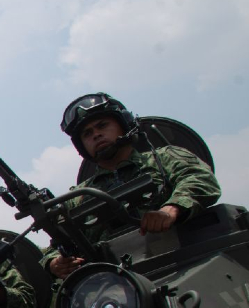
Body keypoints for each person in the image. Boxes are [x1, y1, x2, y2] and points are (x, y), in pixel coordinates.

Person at [47, 92, 222, 280]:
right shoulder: (78, 197)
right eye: (87, 134)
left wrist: (172, 209)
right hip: (118, 288)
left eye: (102, 125)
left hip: (187, 265)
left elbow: (200, 179)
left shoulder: (164, 159)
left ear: (123, 126)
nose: (96, 135)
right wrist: (54, 263)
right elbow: (58, 241)